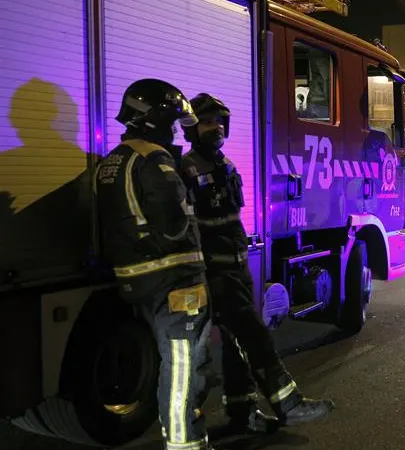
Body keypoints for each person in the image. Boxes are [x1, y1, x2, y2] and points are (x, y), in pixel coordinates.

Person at [180, 94, 334, 431]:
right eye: (208, 122)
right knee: (254, 339)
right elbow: (186, 229)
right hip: (215, 274)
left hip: (236, 268)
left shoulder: (226, 166)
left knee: (237, 347)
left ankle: (243, 413)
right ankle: (289, 405)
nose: (216, 129)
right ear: (191, 128)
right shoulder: (187, 170)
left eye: (220, 122)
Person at [94, 79, 213, 450]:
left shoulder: (112, 159)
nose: (176, 130)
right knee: (184, 364)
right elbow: (173, 221)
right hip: (173, 279)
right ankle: (185, 443)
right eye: (173, 121)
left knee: (174, 359)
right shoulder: (154, 159)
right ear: (156, 119)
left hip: (139, 280)